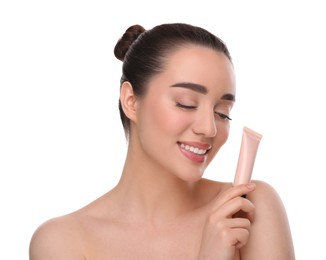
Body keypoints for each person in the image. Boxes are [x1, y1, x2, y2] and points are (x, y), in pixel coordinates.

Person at [29, 23, 295, 259]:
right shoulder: (63, 241)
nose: (209, 128)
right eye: (186, 104)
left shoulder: (248, 209)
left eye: (222, 113)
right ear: (131, 101)